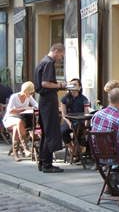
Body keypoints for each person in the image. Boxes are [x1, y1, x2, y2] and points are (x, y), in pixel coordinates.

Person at [34, 43, 67, 173]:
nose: (61, 57)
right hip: (48, 101)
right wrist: (60, 85)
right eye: (61, 54)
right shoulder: (49, 63)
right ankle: (47, 164)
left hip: (43, 101)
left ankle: (43, 162)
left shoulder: (42, 61)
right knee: (51, 132)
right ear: (56, 51)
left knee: (46, 133)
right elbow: (45, 83)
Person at [3, 81, 38, 161]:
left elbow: (36, 105)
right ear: (26, 91)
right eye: (30, 92)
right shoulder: (14, 97)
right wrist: (24, 109)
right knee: (18, 122)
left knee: (17, 126)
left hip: (21, 121)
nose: (31, 94)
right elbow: (10, 111)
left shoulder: (29, 97)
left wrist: (33, 108)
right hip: (9, 119)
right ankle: (25, 148)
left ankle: (15, 153)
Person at [60, 78, 89, 155]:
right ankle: (72, 149)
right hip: (68, 120)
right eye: (71, 84)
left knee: (80, 130)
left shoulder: (84, 99)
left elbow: (86, 113)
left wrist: (86, 123)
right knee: (62, 131)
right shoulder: (64, 99)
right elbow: (64, 115)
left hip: (80, 121)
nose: (72, 86)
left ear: (79, 87)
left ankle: (78, 151)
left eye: (75, 85)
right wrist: (69, 124)